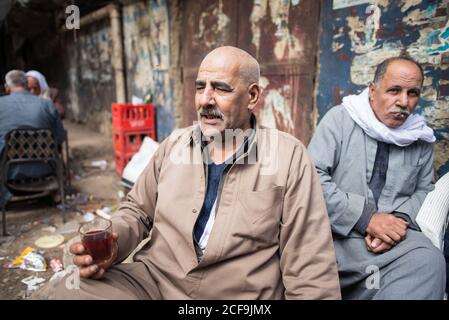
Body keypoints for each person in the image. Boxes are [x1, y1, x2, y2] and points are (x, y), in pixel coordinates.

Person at [55, 46, 341, 300]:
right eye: (200, 86)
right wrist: (113, 241)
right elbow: (136, 211)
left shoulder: (288, 156)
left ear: (252, 96)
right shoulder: (175, 145)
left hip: (237, 295)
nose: (205, 100)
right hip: (156, 280)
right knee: (65, 290)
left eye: (220, 88)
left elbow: (309, 262)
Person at [308, 56, 446, 299]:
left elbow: (425, 190)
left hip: (390, 243)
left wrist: (395, 225)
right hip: (336, 236)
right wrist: (366, 219)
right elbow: (311, 179)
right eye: (394, 90)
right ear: (372, 91)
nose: (403, 102)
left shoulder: (420, 138)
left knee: (428, 260)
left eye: (412, 93)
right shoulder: (339, 119)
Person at [0, 70, 66, 203]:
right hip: (45, 171)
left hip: (8, 174)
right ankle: (56, 192)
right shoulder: (46, 104)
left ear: (7, 87)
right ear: (27, 85)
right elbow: (60, 137)